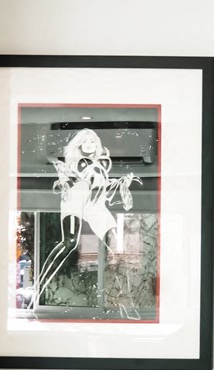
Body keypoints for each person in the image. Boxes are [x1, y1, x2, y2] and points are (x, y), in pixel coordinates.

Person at [29, 128, 140, 312]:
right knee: (69, 243)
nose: (89, 144)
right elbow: (64, 176)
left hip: (95, 206)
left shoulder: (102, 165)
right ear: (79, 145)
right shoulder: (74, 164)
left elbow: (109, 196)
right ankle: (38, 291)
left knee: (117, 248)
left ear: (97, 144)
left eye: (93, 141)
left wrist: (122, 183)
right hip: (76, 201)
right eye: (85, 141)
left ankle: (127, 304)